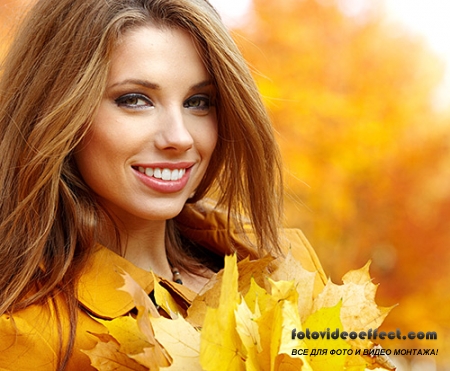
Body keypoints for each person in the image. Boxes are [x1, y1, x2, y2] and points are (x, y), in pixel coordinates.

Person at [0, 0, 327, 369]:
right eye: (135, 100)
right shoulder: (26, 338)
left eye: (198, 101)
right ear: (57, 110)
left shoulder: (282, 266)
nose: (181, 137)